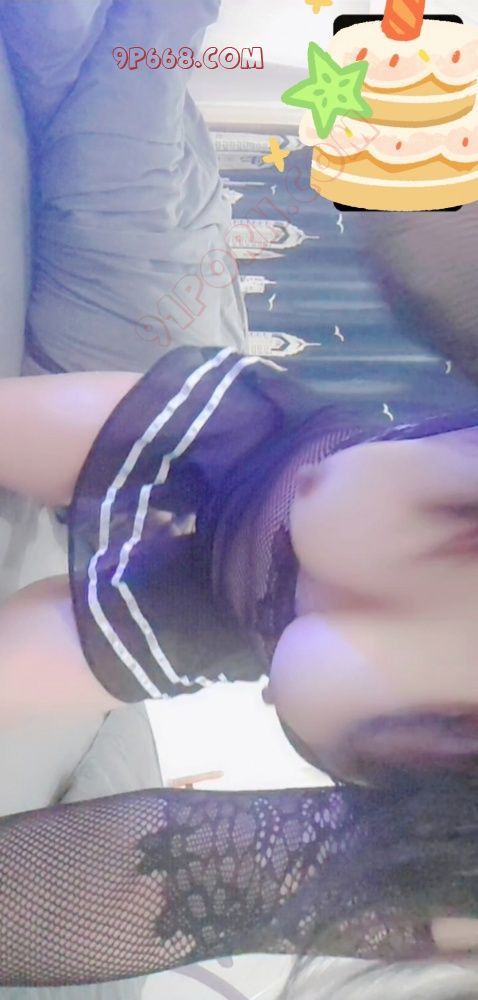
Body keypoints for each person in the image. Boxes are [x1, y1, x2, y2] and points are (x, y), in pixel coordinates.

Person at [1, 0, 478, 989]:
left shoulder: (455, 868)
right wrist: (395, 43)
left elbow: (167, 886)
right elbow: (427, 222)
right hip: (222, 450)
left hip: (182, 622)